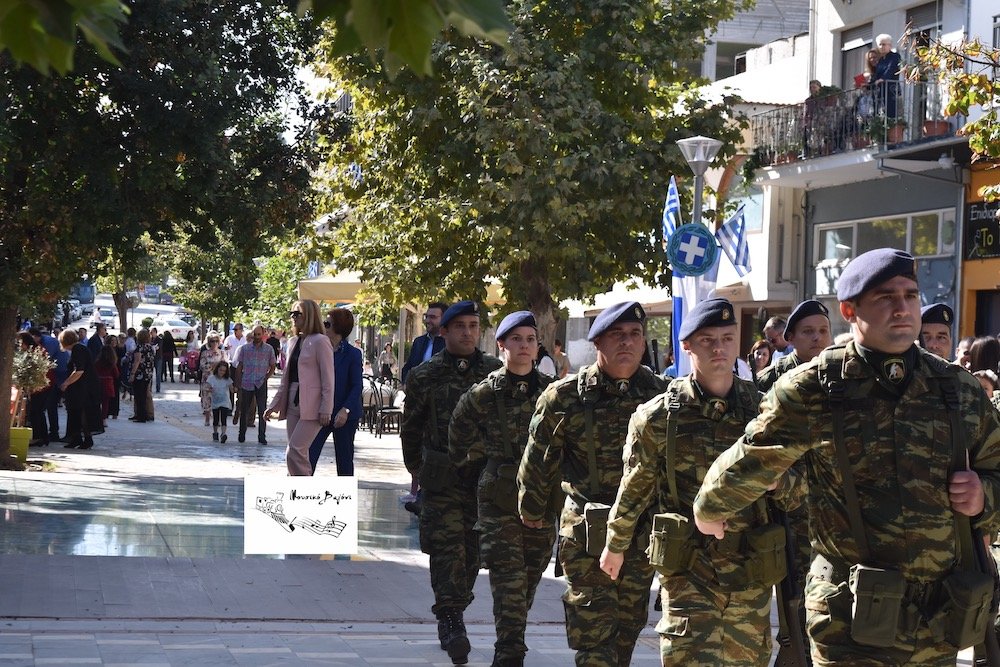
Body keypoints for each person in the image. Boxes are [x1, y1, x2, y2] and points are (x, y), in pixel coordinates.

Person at [693, 248, 1000, 665]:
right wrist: (709, 508)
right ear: (849, 309)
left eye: (910, 296)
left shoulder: (956, 389)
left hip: (939, 618)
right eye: (885, 297)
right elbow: (752, 458)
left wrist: (984, 495)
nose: (902, 308)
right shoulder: (815, 388)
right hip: (852, 618)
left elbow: (995, 469)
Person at [601, 298, 783, 665]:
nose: (719, 348)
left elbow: (801, 489)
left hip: (750, 567)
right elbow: (635, 488)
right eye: (707, 340)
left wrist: (775, 483)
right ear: (686, 345)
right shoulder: (657, 418)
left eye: (727, 338)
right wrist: (615, 544)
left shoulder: (765, 412)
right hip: (689, 569)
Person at [518, 301, 667, 666]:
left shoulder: (662, 395)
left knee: (628, 629)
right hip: (587, 533)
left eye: (635, 335)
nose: (627, 343)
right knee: (595, 639)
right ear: (597, 342)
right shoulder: (565, 397)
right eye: (617, 335)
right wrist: (533, 510)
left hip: (640, 533)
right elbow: (538, 462)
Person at [448, 311, 556, 667]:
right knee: (507, 582)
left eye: (530, 339)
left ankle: (511, 638)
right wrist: (476, 459)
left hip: (541, 499)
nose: (524, 347)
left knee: (527, 580)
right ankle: (509, 653)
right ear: (501, 345)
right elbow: (458, 434)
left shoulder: (552, 394)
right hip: (498, 496)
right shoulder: (484, 392)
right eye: (516, 340)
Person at [400, 300, 503, 665]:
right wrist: (420, 470)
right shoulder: (425, 375)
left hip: (482, 481)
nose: (468, 333)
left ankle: (455, 607)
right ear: (443, 331)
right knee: (446, 551)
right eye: (459, 326)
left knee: (472, 553)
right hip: (442, 479)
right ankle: (451, 619)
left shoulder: (495, 373)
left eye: (474, 326)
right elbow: (410, 429)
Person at [265, 300, 335, 476]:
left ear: (310, 316)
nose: (293, 318)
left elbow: (328, 379)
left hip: (312, 404)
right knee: (298, 453)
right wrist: (273, 405)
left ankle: (303, 494)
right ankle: (296, 493)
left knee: (295, 451)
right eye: (292, 314)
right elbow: (286, 378)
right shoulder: (293, 341)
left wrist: (326, 408)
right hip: (292, 400)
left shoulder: (321, 341)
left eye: (298, 314)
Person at [308, 308, 363, 475]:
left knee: (344, 462)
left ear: (337, 328)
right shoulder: (318, 349)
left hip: (344, 415)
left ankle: (344, 497)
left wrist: (345, 410)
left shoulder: (353, 354)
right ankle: (299, 495)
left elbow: (356, 385)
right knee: (308, 457)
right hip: (321, 413)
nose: (323, 327)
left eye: (327, 324)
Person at [755, 299, 833, 393]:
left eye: (823, 331)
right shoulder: (772, 377)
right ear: (791, 338)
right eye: (808, 331)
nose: (817, 337)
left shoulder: (841, 372)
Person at [232, 325, 276, 445]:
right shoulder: (245, 349)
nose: (256, 337)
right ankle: (242, 434)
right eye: (255, 334)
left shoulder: (268, 349)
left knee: (262, 410)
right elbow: (239, 366)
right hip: (247, 382)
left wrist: (267, 376)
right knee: (244, 409)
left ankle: (262, 436)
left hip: (261, 382)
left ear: (263, 334)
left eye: (259, 334)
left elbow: (273, 365)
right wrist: (238, 382)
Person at [59, 328, 102, 448]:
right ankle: (76, 437)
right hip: (81, 387)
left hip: (84, 388)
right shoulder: (79, 348)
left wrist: (66, 383)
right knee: (76, 413)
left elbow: (79, 371)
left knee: (83, 413)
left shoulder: (78, 349)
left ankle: (86, 439)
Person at [401, 301, 447, 385]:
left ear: (444, 319)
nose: (427, 320)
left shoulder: (449, 343)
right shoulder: (419, 342)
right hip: (417, 395)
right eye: (426, 316)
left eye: (433, 317)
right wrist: (406, 384)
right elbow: (408, 367)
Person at [128, 328, 156, 424]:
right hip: (148, 374)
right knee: (144, 394)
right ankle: (144, 414)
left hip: (140, 374)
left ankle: (141, 416)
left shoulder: (139, 348)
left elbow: (137, 361)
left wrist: (132, 374)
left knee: (139, 395)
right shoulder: (150, 348)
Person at [872, 33, 902, 120]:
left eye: (884, 44)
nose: (882, 46)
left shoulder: (895, 56)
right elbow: (877, 75)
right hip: (881, 91)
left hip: (891, 90)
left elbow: (891, 69)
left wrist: (883, 79)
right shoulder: (880, 60)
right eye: (880, 44)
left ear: (890, 45)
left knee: (892, 114)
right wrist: (868, 84)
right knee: (879, 114)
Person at [199, 334, 225, 427]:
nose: (214, 343)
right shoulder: (205, 353)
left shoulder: (222, 353)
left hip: (218, 380)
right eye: (212, 341)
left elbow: (224, 366)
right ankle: (207, 418)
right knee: (207, 399)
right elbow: (202, 365)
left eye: (216, 341)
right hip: (207, 380)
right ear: (209, 342)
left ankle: (217, 419)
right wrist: (212, 367)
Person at [207, 360, 235, 442]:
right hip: (215, 401)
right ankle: (215, 432)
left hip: (225, 401)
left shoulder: (228, 379)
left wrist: (235, 389)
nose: (222, 372)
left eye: (224, 371)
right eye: (220, 370)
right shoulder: (212, 378)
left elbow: (232, 389)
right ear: (217, 369)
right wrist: (209, 390)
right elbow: (207, 387)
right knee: (216, 418)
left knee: (223, 418)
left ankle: (223, 433)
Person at [94, 345, 119, 427]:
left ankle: (96, 418)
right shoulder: (112, 363)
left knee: (97, 402)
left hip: (98, 383)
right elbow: (116, 374)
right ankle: (103, 419)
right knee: (105, 403)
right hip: (108, 383)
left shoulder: (97, 362)